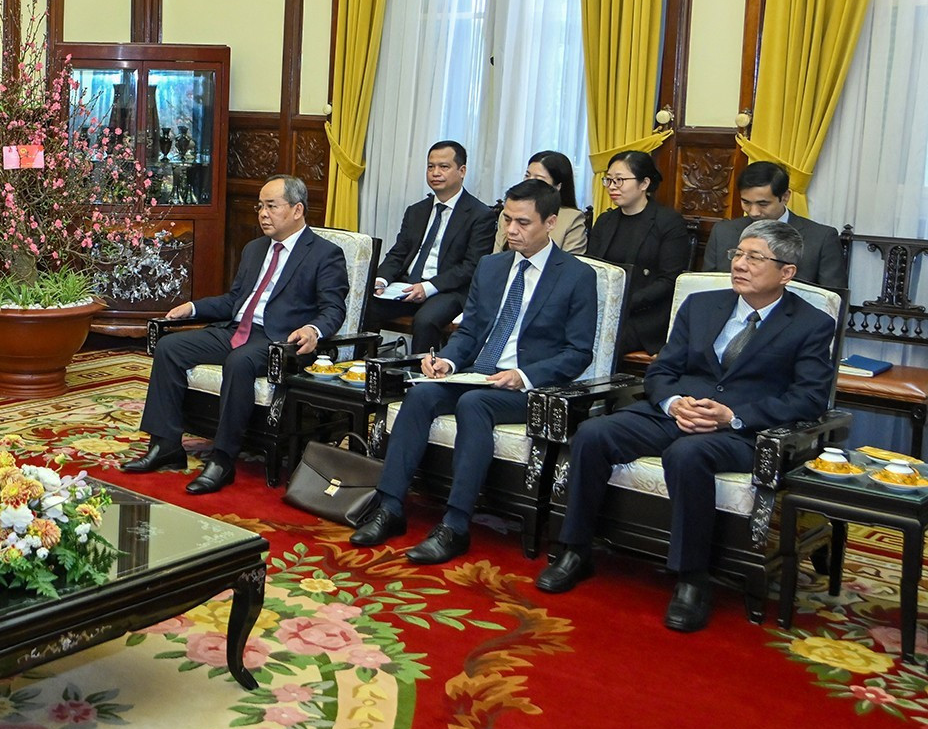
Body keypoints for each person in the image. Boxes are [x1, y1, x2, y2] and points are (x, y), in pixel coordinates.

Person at [536, 220, 836, 632]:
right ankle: (575, 549)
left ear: (787, 272)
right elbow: (663, 370)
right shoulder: (701, 305)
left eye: (755, 258)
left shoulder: (811, 324)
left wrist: (733, 416)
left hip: (740, 431)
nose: (740, 265)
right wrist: (675, 402)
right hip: (675, 412)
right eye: (738, 255)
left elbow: (808, 398)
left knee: (688, 455)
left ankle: (692, 579)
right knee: (593, 433)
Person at [351, 180, 598, 563]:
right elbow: (470, 331)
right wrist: (447, 361)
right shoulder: (492, 266)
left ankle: (455, 524)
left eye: (523, 223)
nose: (511, 230)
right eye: (507, 220)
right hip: (477, 374)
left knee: (474, 405)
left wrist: (525, 376)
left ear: (550, 222)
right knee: (420, 394)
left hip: (527, 388)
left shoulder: (576, 276)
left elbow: (579, 352)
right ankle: (390, 507)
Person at [126, 175, 348, 495]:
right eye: (260, 206)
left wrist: (314, 330)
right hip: (236, 330)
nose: (262, 213)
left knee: (240, 361)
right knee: (171, 346)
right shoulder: (255, 248)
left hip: (280, 341)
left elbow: (334, 309)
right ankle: (165, 445)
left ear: (297, 209)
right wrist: (193, 307)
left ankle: (222, 458)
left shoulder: (325, 254)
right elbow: (235, 301)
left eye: (272, 206)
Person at [365, 141, 495, 354]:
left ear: (461, 171)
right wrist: (380, 280)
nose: (435, 173)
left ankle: (418, 380)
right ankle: (362, 370)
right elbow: (398, 253)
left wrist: (428, 287)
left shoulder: (480, 215)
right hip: (407, 287)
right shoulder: (416, 211)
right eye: (430, 166)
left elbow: (471, 266)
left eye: (444, 167)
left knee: (426, 321)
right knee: (364, 306)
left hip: (448, 290)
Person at [588, 149, 692, 358]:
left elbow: (670, 279)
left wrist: (624, 302)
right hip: (602, 309)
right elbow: (592, 267)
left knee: (594, 341)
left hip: (645, 316)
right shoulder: (605, 221)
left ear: (644, 184)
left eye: (620, 180)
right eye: (608, 180)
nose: (612, 187)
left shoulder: (668, 222)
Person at [700, 161, 846, 290]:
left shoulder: (821, 238)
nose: (754, 212)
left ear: (785, 197)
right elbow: (706, 287)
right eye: (746, 202)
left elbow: (831, 300)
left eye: (763, 204)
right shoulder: (723, 232)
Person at [492, 151, 588, 255]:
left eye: (539, 179)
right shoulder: (508, 214)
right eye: (527, 176)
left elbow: (571, 265)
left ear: (558, 187)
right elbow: (495, 259)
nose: (530, 182)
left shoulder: (571, 219)